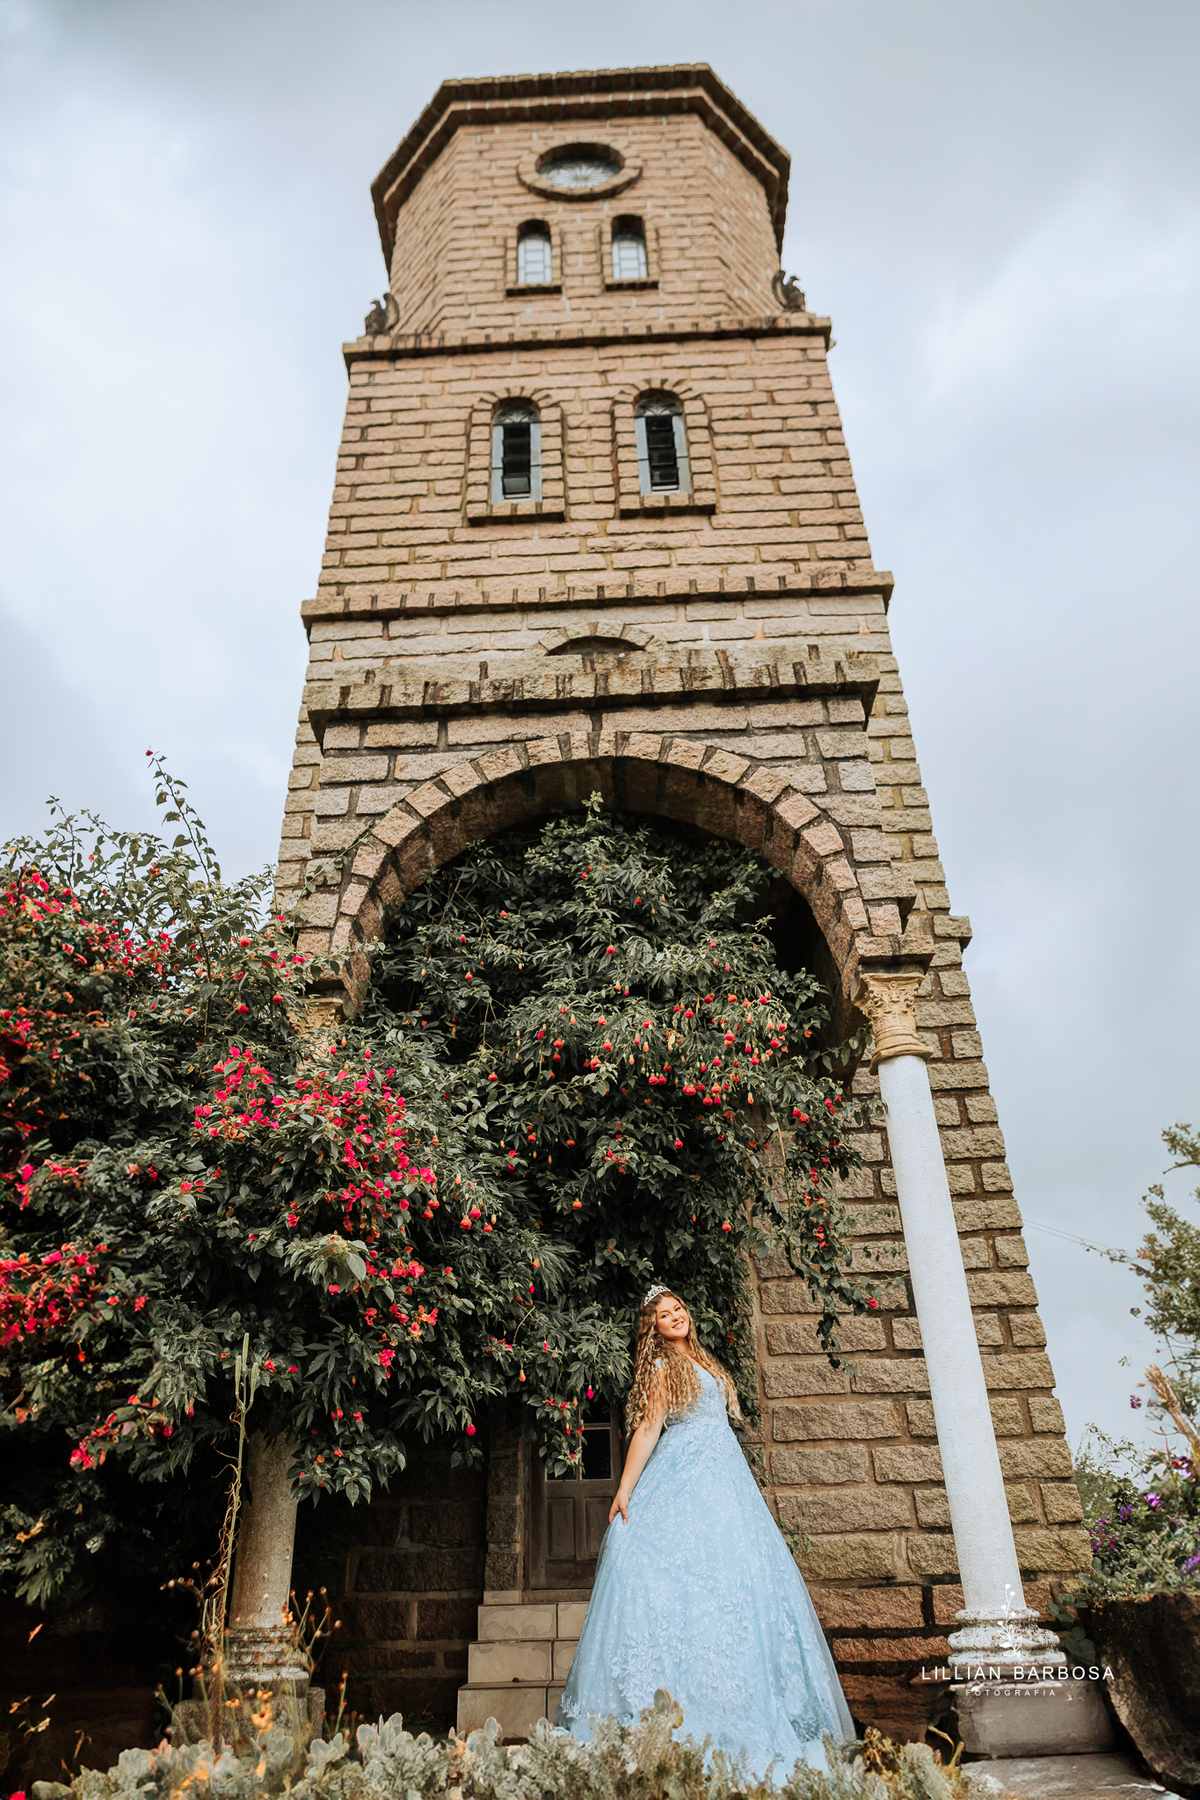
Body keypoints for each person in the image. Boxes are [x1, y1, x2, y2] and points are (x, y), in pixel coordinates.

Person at [554, 1284, 855, 1778]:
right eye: (663, 1315)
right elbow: (649, 1428)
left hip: (724, 1480)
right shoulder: (659, 1368)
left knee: (734, 1579)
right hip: (684, 1476)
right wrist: (625, 1488)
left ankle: (738, 1702)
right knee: (684, 1578)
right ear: (651, 1327)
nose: (674, 1317)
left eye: (677, 1310)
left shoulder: (701, 1358)